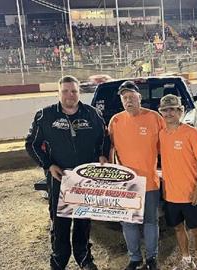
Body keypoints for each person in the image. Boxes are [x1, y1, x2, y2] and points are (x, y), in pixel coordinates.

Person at [25, 75, 108, 270]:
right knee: (60, 221)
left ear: (79, 93)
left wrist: (103, 155)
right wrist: (48, 165)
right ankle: (59, 259)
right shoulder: (44, 116)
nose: (70, 95)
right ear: (59, 92)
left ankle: (84, 257)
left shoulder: (92, 114)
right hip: (59, 178)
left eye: (74, 91)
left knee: (83, 219)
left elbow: (104, 138)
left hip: (85, 179)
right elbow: (31, 144)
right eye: (65, 91)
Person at [108, 81, 165, 270]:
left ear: (139, 98)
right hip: (126, 185)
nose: (128, 100)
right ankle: (134, 258)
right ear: (121, 100)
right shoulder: (115, 121)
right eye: (124, 98)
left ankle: (151, 258)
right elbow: (109, 149)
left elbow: (165, 147)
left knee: (150, 221)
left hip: (149, 181)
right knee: (128, 223)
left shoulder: (154, 118)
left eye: (132, 97)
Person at [158, 94, 197, 270]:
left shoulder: (192, 133)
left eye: (172, 109)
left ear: (180, 111)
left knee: (196, 230)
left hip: (192, 193)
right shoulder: (161, 135)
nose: (169, 113)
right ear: (161, 113)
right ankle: (186, 259)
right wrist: (164, 188)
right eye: (165, 110)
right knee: (178, 229)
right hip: (172, 195)